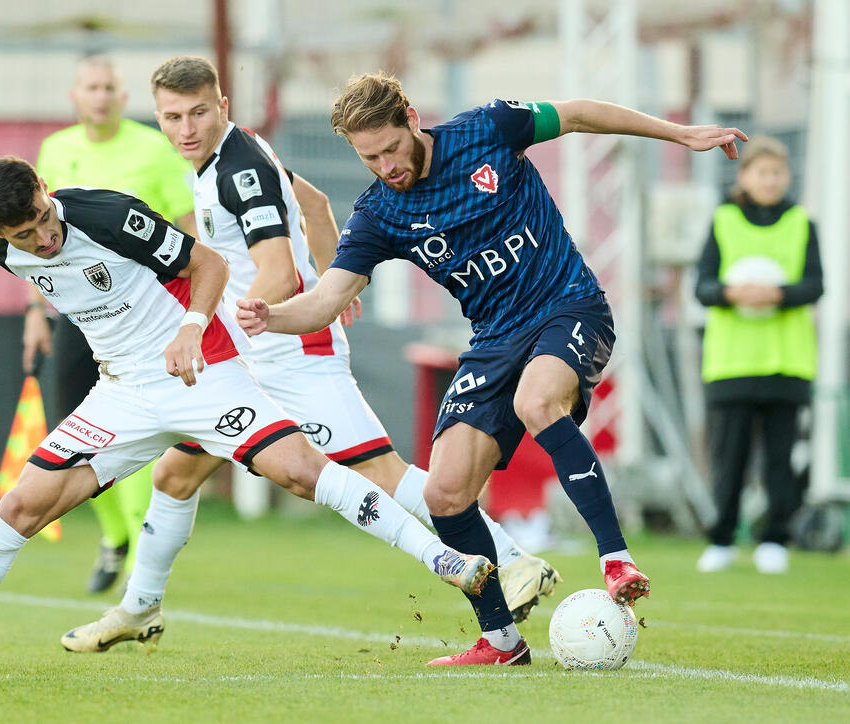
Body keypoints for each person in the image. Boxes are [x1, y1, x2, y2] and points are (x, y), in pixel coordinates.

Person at [0, 155, 494, 672]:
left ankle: (443, 560)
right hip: (124, 394)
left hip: (201, 371)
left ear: (46, 188)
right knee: (21, 508)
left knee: (299, 470)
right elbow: (66, 292)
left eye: (43, 217)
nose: (43, 237)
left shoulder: (103, 214)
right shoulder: (8, 255)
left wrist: (190, 326)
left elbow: (203, 263)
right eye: (23, 234)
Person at [237, 73, 747, 666]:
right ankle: (502, 643)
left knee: (537, 403)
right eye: (369, 157)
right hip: (494, 340)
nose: (386, 166)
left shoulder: (489, 128)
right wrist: (268, 316)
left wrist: (681, 135)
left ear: (410, 117)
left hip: (568, 305)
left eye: (391, 149)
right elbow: (326, 301)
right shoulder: (379, 213)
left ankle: (615, 560)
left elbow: (579, 111)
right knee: (445, 491)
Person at [59, 56, 560, 653]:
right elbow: (318, 205)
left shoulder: (236, 171)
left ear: (222, 106)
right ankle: (140, 606)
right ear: (159, 118)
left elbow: (273, 272)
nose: (185, 128)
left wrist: (259, 314)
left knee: (378, 471)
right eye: (172, 116)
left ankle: (514, 558)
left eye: (198, 112)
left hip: (288, 353)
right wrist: (334, 282)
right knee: (175, 473)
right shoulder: (230, 156)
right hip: (256, 354)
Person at [28, 54, 197, 593]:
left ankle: (137, 554)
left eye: (109, 87)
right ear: (75, 97)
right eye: (90, 87)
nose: (100, 96)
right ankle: (114, 537)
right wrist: (37, 313)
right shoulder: (56, 150)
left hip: (144, 316)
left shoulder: (153, 148)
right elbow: (33, 240)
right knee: (73, 427)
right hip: (78, 316)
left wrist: (196, 307)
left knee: (139, 429)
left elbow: (187, 224)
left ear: (124, 98)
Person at [694, 135, 823, 575]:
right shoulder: (724, 220)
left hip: (787, 362)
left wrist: (778, 294)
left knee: (780, 459)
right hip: (731, 364)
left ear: (787, 178)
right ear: (745, 176)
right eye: (761, 172)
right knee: (729, 458)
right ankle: (722, 539)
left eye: (778, 173)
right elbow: (703, 286)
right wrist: (732, 292)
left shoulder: (802, 223)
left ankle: (775, 539)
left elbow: (814, 285)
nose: (770, 181)